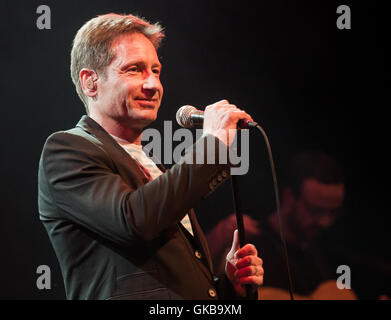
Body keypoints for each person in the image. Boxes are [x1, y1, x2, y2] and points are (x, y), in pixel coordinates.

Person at [37, 13, 264, 300]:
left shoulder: (153, 167)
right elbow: (134, 220)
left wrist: (229, 287)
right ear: (90, 82)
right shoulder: (66, 150)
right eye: (134, 69)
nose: (152, 84)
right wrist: (213, 144)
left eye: (155, 71)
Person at [207, 151, 358, 299]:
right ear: (289, 196)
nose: (325, 221)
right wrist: (218, 237)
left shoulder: (329, 253)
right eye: (316, 211)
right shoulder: (248, 242)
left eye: (333, 212)